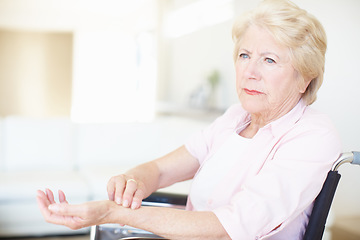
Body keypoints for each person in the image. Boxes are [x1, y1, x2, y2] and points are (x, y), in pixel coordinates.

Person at [37, 0, 342, 239]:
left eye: (270, 60)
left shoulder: (314, 135)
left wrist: (113, 214)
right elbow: (158, 170)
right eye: (244, 55)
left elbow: (231, 227)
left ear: (304, 78)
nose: (250, 71)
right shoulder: (235, 118)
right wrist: (133, 181)